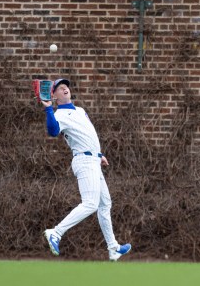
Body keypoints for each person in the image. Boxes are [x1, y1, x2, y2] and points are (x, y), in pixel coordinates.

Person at [41, 78, 132, 261]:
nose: (64, 88)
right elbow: (52, 131)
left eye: (65, 86)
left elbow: (86, 135)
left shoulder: (81, 111)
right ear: (54, 96)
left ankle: (113, 248)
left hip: (93, 160)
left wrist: (99, 154)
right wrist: (48, 108)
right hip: (83, 161)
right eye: (59, 88)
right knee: (90, 203)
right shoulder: (58, 115)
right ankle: (56, 232)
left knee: (105, 204)